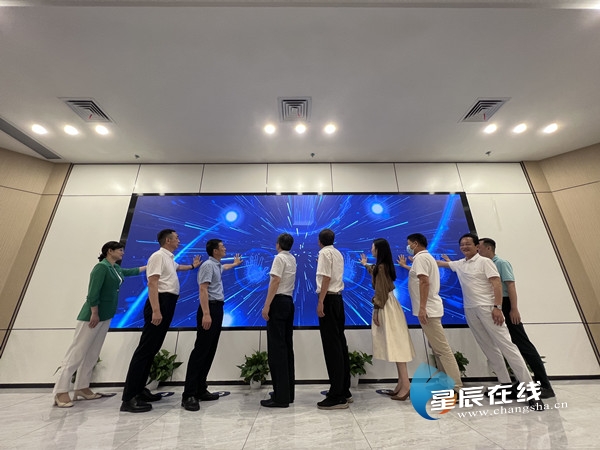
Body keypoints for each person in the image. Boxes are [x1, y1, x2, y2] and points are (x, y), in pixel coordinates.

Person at [437, 233, 543, 410]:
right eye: (462, 244)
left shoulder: (485, 262)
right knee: (489, 349)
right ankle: (505, 385)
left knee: (508, 347)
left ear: (477, 246)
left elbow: (496, 284)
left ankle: (532, 392)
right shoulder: (460, 264)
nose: (464, 246)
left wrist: (497, 307)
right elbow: (442, 264)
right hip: (470, 310)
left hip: (488, 309)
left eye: (468, 244)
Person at [53, 241, 146, 408]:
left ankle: (82, 387)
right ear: (109, 251)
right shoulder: (101, 268)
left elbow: (130, 271)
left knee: (92, 353)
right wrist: (94, 312)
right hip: (92, 317)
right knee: (77, 352)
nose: (122, 253)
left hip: (106, 315)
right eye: (120, 250)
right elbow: (92, 293)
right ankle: (60, 391)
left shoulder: (115, 268)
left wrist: (148, 266)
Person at [120, 229, 201, 413]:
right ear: (167, 240)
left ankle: (140, 390)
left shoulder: (169, 258)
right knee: (145, 349)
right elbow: (153, 283)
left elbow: (177, 268)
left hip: (168, 302)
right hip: (160, 302)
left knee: (153, 348)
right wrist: (156, 310)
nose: (179, 240)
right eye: (177, 238)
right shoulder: (157, 256)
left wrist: (192, 266)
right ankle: (129, 397)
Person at [478, 237, 555, 399]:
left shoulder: (501, 263)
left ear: (489, 248)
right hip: (496, 304)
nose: (478, 250)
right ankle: (520, 384)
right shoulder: (485, 264)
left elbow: (510, 285)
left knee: (522, 344)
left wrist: (514, 309)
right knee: (509, 345)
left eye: (480, 247)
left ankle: (544, 385)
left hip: (505, 305)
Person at [397, 233, 463, 392]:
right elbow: (418, 276)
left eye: (409, 243)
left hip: (429, 310)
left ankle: (456, 387)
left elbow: (424, 282)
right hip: (431, 308)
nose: (408, 247)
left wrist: (422, 307)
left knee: (442, 349)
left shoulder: (421, 259)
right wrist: (406, 266)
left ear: (415, 243)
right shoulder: (426, 258)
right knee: (437, 348)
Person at [181, 239, 242, 411]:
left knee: (209, 350)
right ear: (215, 251)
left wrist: (234, 264)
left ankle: (201, 389)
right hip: (209, 308)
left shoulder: (216, 265)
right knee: (201, 351)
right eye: (222, 247)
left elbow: (224, 268)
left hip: (217, 308)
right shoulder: (208, 266)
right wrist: (206, 313)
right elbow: (203, 289)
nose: (225, 248)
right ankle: (189, 394)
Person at [360, 238, 415, 401]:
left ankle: (406, 385)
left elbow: (381, 292)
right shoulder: (383, 266)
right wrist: (365, 264)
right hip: (390, 305)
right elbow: (374, 272)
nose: (371, 250)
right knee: (396, 344)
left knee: (396, 344)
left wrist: (376, 311)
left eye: (373, 247)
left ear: (378, 249)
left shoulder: (381, 267)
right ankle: (401, 383)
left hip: (386, 307)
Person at [315, 228, 351, 410]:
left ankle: (336, 395)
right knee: (340, 344)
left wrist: (320, 301)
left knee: (332, 347)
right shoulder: (337, 253)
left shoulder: (324, 253)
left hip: (329, 299)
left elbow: (326, 278)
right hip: (338, 300)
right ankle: (344, 390)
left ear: (319, 241)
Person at [260, 233, 297, 408]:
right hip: (288, 302)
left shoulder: (279, 258)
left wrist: (267, 305)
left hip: (278, 302)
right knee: (286, 347)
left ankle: (281, 397)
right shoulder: (292, 259)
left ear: (278, 245)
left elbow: (275, 281)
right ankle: (287, 393)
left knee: (277, 349)